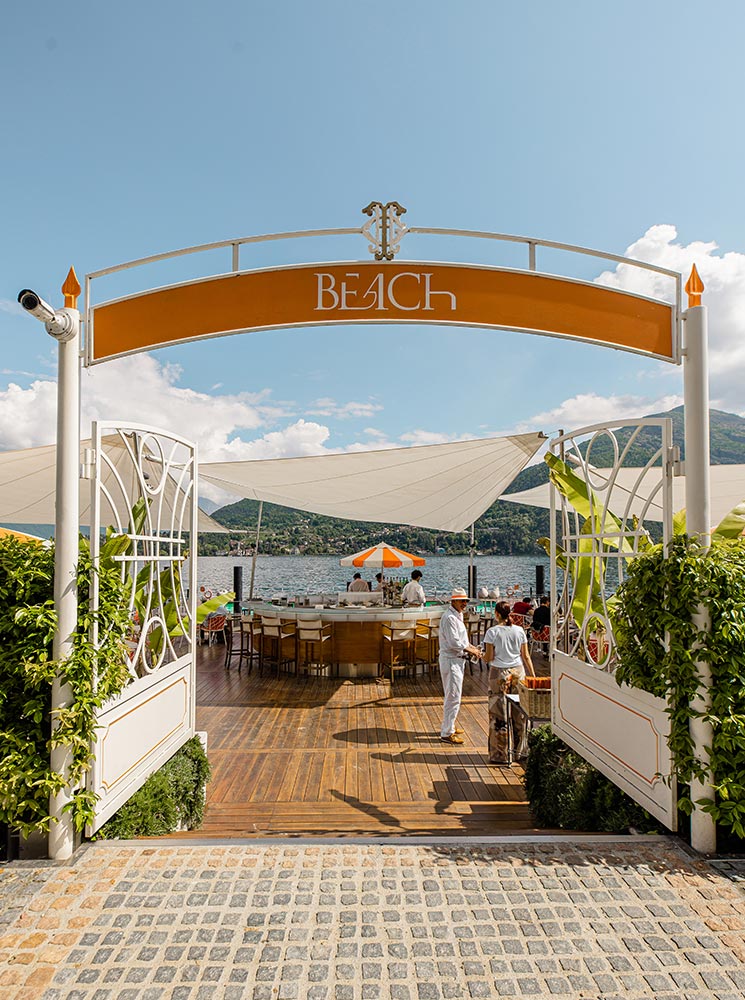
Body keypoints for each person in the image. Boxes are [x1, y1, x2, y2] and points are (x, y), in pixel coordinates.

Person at [483, 601, 535, 765]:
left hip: (499, 673)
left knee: (499, 715)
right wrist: (532, 676)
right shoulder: (519, 630)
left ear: (497, 614)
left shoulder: (492, 632)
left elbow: (489, 657)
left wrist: (479, 654)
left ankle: (501, 754)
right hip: (518, 672)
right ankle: (521, 751)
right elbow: (526, 656)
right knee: (519, 712)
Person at [438, 588, 482, 745]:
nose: (465, 603)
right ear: (453, 601)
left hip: (457, 660)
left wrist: (472, 647)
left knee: (453, 694)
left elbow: (462, 639)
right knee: (453, 696)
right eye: (462, 601)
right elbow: (454, 642)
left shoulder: (458, 615)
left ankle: (449, 725)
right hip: (451, 660)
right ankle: (447, 732)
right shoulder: (449, 618)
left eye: (466, 601)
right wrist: (471, 650)